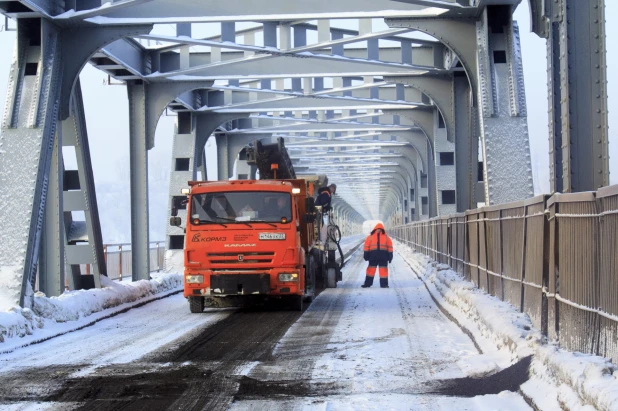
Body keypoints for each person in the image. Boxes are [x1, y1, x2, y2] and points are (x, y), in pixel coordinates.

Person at [361, 222, 393, 288]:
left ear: (382, 229)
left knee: (383, 271)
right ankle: (367, 284)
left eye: (380, 229)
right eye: (377, 229)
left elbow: (390, 247)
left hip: (382, 257)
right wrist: (366, 254)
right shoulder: (370, 237)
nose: (379, 230)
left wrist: (390, 256)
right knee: (370, 271)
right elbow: (366, 246)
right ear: (375, 229)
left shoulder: (386, 238)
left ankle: (384, 284)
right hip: (373, 257)